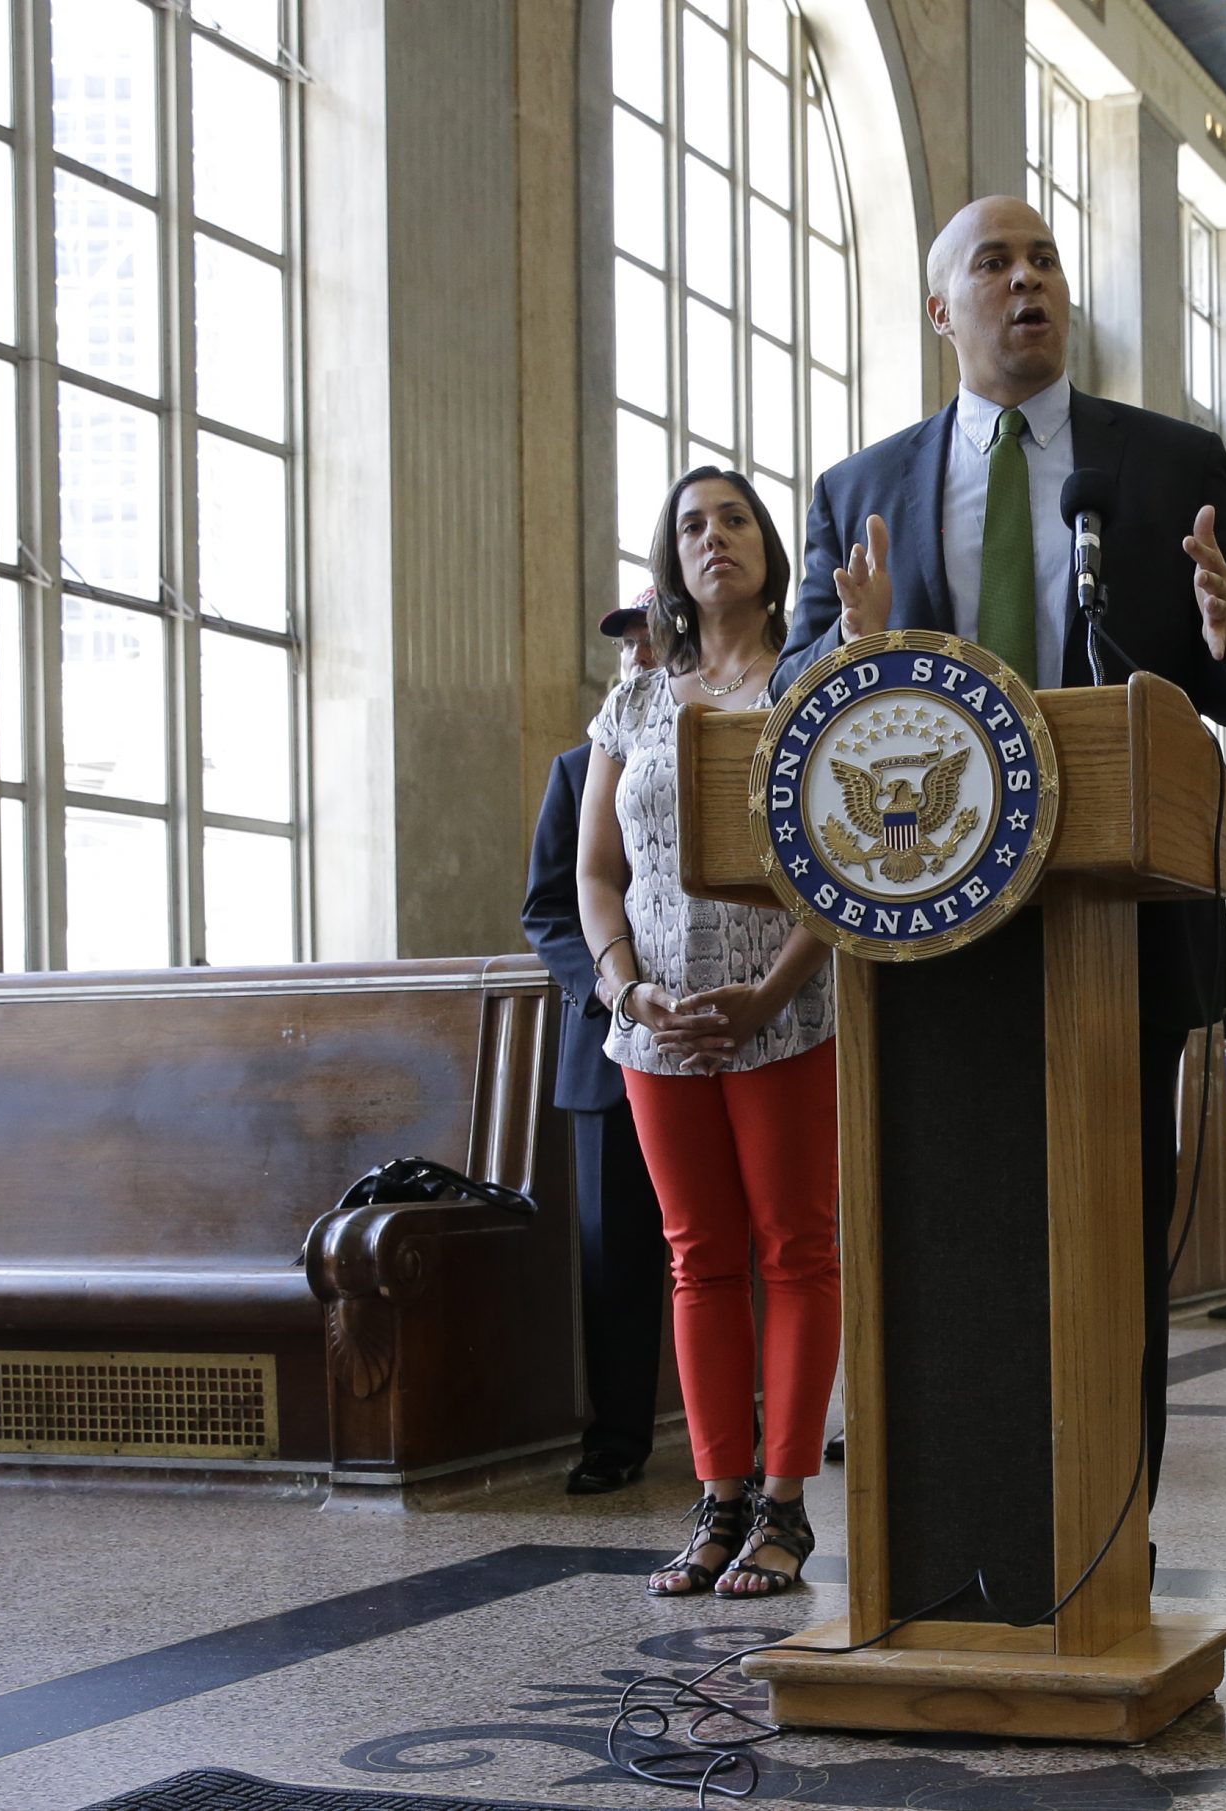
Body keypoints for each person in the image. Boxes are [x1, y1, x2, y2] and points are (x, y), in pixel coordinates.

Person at [766, 195, 1226, 1504]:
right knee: (948, 1236)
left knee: (1108, 1235)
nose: (1026, 281)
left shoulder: (1170, 464)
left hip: (1121, 915)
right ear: (941, 308)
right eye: (992, 263)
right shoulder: (861, 490)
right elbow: (796, 693)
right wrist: (851, 648)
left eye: (1045, 258)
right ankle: (962, 1516)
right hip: (925, 926)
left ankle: (1113, 1522)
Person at [580, 468, 841, 1599]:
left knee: (794, 1248)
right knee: (696, 1257)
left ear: (769, 548)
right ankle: (717, 1494)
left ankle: (784, 1503)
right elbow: (596, 871)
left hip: (782, 1012)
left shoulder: (811, 678)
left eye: (734, 517)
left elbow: (845, 859)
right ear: (669, 562)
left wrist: (774, 988)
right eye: (692, 525)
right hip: (658, 1026)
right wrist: (626, 990)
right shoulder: (633, 701)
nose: (714, 537)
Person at [522, 590, 665, 1494]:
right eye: (627, 641)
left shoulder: (727, 742)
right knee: (614, 1258)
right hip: (607, 1049)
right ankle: (616, 1439)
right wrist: (612, 987)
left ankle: (746, 1441)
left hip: (714, 1026)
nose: (638, 652)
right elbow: (547, 906)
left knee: (721, 1247)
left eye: (653, 635)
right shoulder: (579, 770)